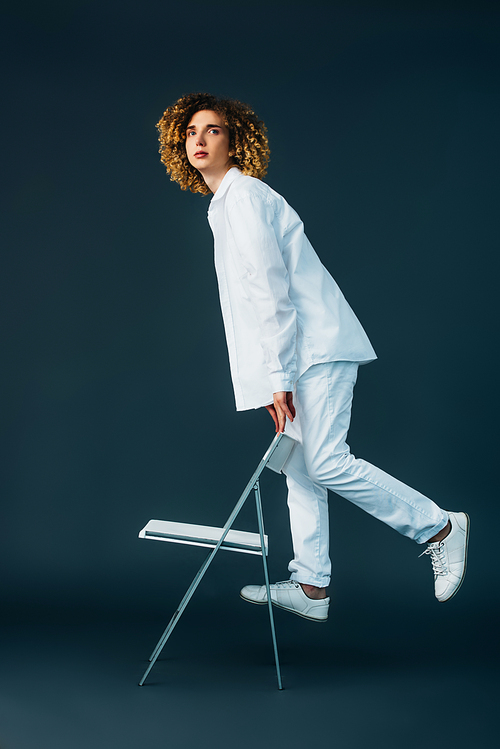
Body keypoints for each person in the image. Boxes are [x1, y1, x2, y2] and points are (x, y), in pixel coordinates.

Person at [156, 92, 469, 622]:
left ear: (236, 142)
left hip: (315, 350)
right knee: (300, 468)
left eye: (212, 130)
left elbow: (270, 292)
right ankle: (311, 585)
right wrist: (269, 380)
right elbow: (250, 307)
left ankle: (439, 525)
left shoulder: (246, 197)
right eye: (190, 132)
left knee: (324, 460)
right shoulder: (224, 204)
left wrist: (276, 377)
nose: (199, 140)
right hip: (297, 356)